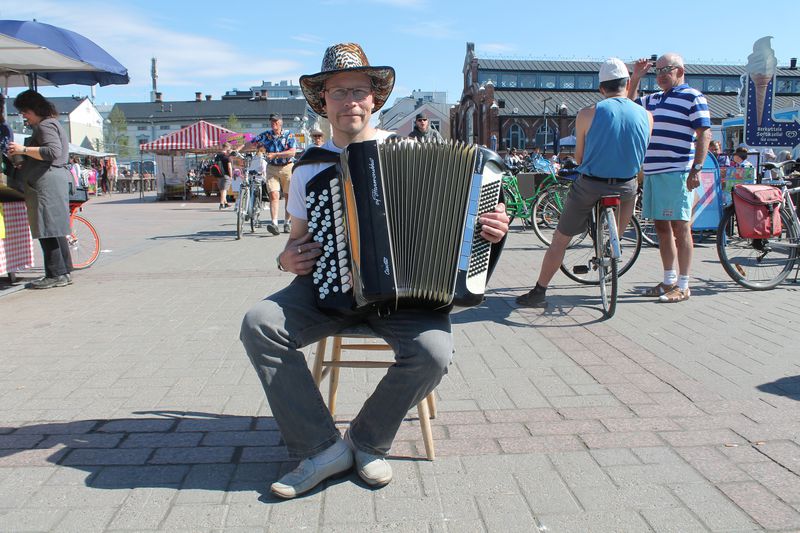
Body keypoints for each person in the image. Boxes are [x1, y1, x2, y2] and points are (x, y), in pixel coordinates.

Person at [239, 42, 509, 500]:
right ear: (323, 102)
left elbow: (471, 222)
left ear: (374, 99)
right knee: (259, 324)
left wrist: (491, 226)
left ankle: (366, 440)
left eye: (359, 91)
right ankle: (321, 448)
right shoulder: (310, 168)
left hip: (407, 296)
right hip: (330, 291)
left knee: (434, 351)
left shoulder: (411, 151)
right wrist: (286, 259)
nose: (350, 102)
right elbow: (293, 243)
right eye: (339, 92)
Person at [516, 58, 652, 308]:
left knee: (560, 239)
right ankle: (613, 247)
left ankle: (539, 291)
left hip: (591, 185)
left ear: (601, 88)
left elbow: (579, 158)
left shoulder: (588, 113)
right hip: (627, 187)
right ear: (627, 83)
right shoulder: (646, 116)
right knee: (616, 237)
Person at [628, 53, 711, 303]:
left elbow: (704, 133)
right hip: (654, 172)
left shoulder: (693, 96)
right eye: (658, 70)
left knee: (681, 227)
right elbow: (630, 108)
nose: (662, 75)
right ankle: (668, 280)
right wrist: (637, 77)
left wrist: (696, 169)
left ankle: (684, 285)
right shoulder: (653, 99)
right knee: (662, 228)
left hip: (678, 172)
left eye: (668, 69)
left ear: (681, 70)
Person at [7, 90, 73, 289]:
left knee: (46, 228)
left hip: (47, 181)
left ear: (34, 109)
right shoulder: (51, 124)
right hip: (52, 179)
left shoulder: (45, 126)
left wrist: (23, 150)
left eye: (24, 111)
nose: (23, 116)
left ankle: (56, 274)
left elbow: (53, 151)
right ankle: (63, 272)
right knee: (55, 228)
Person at [251, 113, 297, 235]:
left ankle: (287, 222)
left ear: (281, 123)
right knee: (273, 195)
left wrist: (276, 154)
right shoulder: (266, 135)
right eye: (272, 122)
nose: (274, 124)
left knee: (288, 196)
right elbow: (251, 143)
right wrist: (237, 150)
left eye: (276, 122)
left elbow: (292, 152)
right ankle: (274, 224)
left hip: (287, 167)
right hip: (272, 168)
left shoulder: (289, 135)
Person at [214, 142, 233, 209]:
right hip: (226, 175)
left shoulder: (217, 156)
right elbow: (229, 167)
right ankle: (221, 204)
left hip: (219, 175)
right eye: (229, 148)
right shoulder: (227, 157)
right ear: (227, 148)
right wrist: (231, 176)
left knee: (222, 190)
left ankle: (226, 203)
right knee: (224, 190)